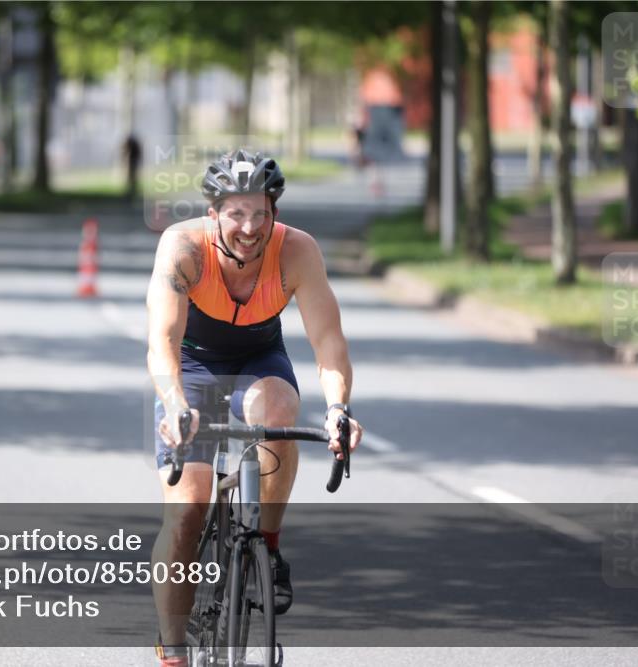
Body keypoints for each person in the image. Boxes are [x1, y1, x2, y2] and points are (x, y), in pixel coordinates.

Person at [147, 149, 364, 666]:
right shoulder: (182, 248)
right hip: (193, 365)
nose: (249, 227)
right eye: (236, 213)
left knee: (278, 413)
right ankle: (173, 649)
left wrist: (338, 408)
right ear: (214, 213)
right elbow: (162, 341)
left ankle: (266, 541)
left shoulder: (297, 252)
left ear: (274, 212)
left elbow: (328, 341)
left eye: (260, 213)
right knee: (188, 512)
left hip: (260, 358)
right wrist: (175, 402)